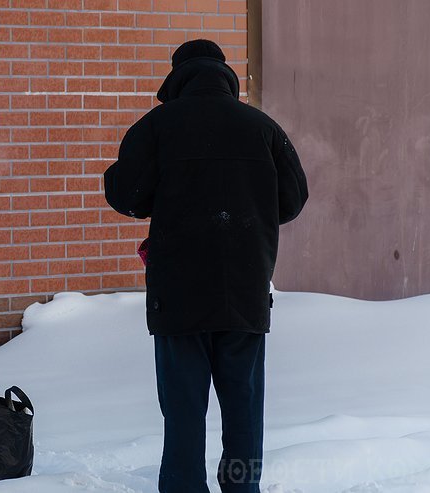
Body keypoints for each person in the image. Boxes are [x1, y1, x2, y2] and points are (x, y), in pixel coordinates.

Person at [104, 40, 309, 493]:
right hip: (244, 292)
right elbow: (293, 200)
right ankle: (241, 487)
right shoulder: (263, 128)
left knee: (183, 414)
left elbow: (122, 193)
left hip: (178, 297)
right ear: (225, 75)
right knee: (243, 411)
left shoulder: (157, 126)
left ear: (177, 77)